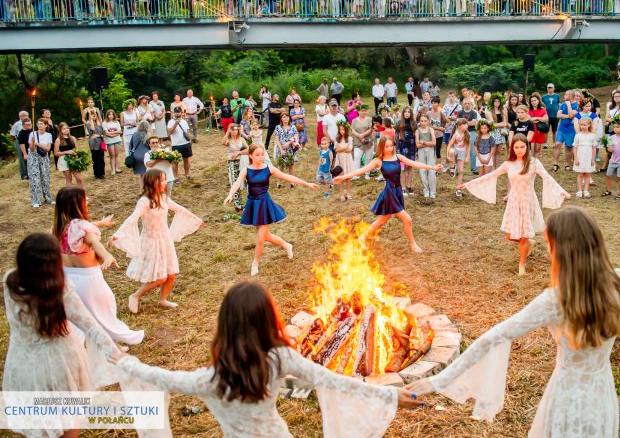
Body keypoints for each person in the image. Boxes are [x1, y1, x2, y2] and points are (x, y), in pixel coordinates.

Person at [406, 207, 620, 435]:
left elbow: (494, 337)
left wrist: (436, 382)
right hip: (602, 394)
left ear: (558, 248)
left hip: (565, 396)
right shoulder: (619, 282)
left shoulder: (555, 300)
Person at [111, 281, 420, 438]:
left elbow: (159, 377)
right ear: (268, 319)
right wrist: (389, 394)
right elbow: (332, 379)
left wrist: (123, 362)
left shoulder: (207, 380)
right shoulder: (280, 359)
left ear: (226, 324)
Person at [3, 233, 121, 438]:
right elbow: (89, 324)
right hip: (61, 365)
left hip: (24, 367)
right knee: (68, 423)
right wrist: (117, 355)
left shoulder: (9, 282)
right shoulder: (60, 288)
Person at [459, 133, 569, 274]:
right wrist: (469, 184)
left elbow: (547, 178)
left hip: (528, 201)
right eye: (516, 147)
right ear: (512, 148)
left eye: (522, 146)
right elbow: (491, 176)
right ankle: (529, 242)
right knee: (511, 235)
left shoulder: (534, 163)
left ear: (527, 147)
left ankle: (522, 263)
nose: (519, 149)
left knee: (522, 235)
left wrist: (561, 191)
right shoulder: (508, 164)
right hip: (513, 201)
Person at [54, 186, 144, 345]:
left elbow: (75, 228)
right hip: (89, 279)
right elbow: (94, 242)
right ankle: (110, 345)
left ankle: (89, 344)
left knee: (80, 315)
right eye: (84, 200)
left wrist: (100, 223)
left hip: (67, 279)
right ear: (78, 205)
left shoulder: (57, 229)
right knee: (104, 312)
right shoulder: (84, 229)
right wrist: (107, 256)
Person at [110, 169, 203, 314]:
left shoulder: (164, 198)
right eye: (162, 180)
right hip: (151, 241)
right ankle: (135, 296)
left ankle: (162, 299)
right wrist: (118, 234)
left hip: (165, 239)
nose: (165, 182)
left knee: (171, 274)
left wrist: (196, 219)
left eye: (165, 179)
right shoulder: (145, 201)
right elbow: (132, 218)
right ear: (152, 182)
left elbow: (180, 209)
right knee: (160, 277)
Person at [334, 136, 442, 253]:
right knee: (407, 219)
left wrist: (432, 167)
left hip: (398, 192)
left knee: (382, 221)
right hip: (390, 193)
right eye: (387, 146)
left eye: (391, 146)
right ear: (382, 147)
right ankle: (413, 244)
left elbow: (414, 163)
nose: (390, 148)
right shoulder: (378, 161)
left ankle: (362, 238)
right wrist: (344, 176)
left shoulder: (398, 157)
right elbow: (361, 170)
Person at [225, 143, 319, 275]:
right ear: (250, 156)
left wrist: (307, 184)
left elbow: (288, 177)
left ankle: (255, 263)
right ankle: (287, 245)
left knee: (260, 238)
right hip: (253, 204)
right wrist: (230, 194)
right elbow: (237, 183)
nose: (261, 157)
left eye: (262, 154)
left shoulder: (269, 168)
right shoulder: (246, 170)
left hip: (264, 204)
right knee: (265, 235)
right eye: (257, 155)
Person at [27, 118, 53, 208]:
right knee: (35, 178)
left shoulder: (48, 135)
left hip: (43, 157)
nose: (39, 125)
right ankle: (36, 200)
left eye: (41, 124)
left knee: (45, 177)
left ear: (46, 125)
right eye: (38, 124)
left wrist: (38, 144)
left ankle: (47, 197)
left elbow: (48, 148)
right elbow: (31, 149)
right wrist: (33, 143)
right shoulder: (32, 134)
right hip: (33, 157)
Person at [223, 123, 249, 211]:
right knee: (235, 183)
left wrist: (239, 153)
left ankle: (250, 203)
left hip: (243, 162)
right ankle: (238, 205)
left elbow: (248, 149)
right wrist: (227, 133)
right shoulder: (229, 140)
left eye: (236, 129)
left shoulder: (241, 139)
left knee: (247, 182)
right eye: (232, 129)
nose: (234, 131)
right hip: (232, 163)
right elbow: (223, 143)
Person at [552, 90, 578, 172]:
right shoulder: (563, 104)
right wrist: (568, 116)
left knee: (569, 147)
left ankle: (567, 164)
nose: (564, 96)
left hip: (571, 130)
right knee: (557, 144)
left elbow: (572, 115)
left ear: (570, 96)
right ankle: (555, 163)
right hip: (561, 128)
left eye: (566, 95)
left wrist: (569, 106)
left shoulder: (577, 105)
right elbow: (558, 115)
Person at [54, 122, 84, 188]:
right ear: (60, 130)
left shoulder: (72, 138)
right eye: (64, 129)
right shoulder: (58, 140)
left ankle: (81, 195)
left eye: (67, 128)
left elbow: (77, 149)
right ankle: (70, 196)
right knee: (69, 179)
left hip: (74, 160)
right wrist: (66, 152)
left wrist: (77, 153)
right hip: (64, 160)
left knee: (79, 179)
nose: (66, 130)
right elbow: (56, 153)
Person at [573, 117, 596, 198]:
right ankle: (579, 190)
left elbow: (594, 148)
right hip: (580, 157)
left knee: (587, 174)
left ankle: (586, 190)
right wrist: (576, 158)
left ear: (589, 125)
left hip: (588, 157)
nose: (583, 126)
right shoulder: (578, 135)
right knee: (580, 174)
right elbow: (575, 147)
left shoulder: (592, 136)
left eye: (585, 125)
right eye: (581, 125)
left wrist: (593, 159)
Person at [273, 113, 300, 184]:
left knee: (291, 166)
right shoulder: (278, 127)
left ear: (289, 118)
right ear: (281, 119)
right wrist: (281, 149)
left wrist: (288, 143)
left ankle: (292, 182)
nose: (286, 119)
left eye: (287, 117)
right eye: (284, 117)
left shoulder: (293, 127)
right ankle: (278, 182)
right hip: (281, 149)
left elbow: (296, 136)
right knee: (280, 166)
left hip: (291, 149)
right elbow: (276, 139)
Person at [415, 114, 437, 198]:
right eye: (421, 121)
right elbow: (417, 145)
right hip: (421, 152)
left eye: (425, 121)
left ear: (428, 121)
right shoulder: (418, 131)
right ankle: (426, 190)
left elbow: (434, 143)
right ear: (419, 122)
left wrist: (424, 143)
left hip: (430, 151)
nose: (423, 123)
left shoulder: (430, 129)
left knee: (431, 170)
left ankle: (433, 191)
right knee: (422, 170)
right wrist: (428, 144)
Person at [168, 107, 193, 180]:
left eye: (179, 112)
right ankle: (175, 177)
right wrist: (176, 124)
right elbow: (169, 132)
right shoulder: (171, 122)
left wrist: (190, 140)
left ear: (181, 112)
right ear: (173, 113)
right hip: (176, 144)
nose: (177, 113)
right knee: (175, 161)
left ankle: (187, 174)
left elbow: (187, 131)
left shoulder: (184, 121)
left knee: (186, 160)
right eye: (176, 112)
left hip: (186, 143)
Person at [446, 119, 470, 197]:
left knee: (461, 171)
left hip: (462, 152)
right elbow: (449, 145)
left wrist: (467, 156)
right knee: (451, 151)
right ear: (459, 126)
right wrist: (447, 155)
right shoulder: (455, 134)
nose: (466, 126)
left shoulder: (467, 134)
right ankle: (452, 167)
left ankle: (459, 189)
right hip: (456, 150)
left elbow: (468, 146)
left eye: (467, 124)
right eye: (464, 124)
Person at [334, 124, 354, 201]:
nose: (341, 131)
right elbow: (336, 150)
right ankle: (342, 193)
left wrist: (341, 149)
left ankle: (348, 193)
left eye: (343, 129)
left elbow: (350, 150)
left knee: (348, 177)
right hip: (340, 159)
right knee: (341, 176)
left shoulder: (349, 138)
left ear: (346, 130)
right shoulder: (337, 139)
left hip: (347, 159)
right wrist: (344, 148)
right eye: (340, 129)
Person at [85, 108, 106, 180]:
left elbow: (103, 134)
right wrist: (91, 120)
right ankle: (96, 173)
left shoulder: (99, 124)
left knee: (101, 159)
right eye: (92, 115)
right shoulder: (88, 124)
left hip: (100, 142)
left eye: (94, 115)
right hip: (93, 143)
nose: (93, 116)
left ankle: (101, 173)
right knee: (95, 159)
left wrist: (98, 136)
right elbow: (92, 129)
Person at [129, 120, 152, 188]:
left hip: (136, 155)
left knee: (141, 175)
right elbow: (151, 147)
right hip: (146, 155)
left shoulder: (135, 134)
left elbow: (131, 146)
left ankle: (141, 189)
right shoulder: (148, 135)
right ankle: (147, 189)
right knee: (147, 174)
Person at [9, 110, 30, 180]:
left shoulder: (29, 122)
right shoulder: (17, 124)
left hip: (28, 141)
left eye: (27, 115)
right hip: (19, 141)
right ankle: (23, 174)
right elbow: (12, 135)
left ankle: (29, 173)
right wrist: (16, 142)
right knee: (22, 158)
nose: (26, 117)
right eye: (24, 115)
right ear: (20, 116)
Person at [103, 109, 122, 175]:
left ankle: (116, 168)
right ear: (107, 115)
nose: (111, 116)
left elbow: (120, 131)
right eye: (109, 114)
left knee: (116, 155)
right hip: (109, 141)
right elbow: (107, 133)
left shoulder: (116, 122)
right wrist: (115, 133)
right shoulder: (105, 123)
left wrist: (112, 133)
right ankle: (113, 169)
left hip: (117, 139)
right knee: (112, 155)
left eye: (112, 114)